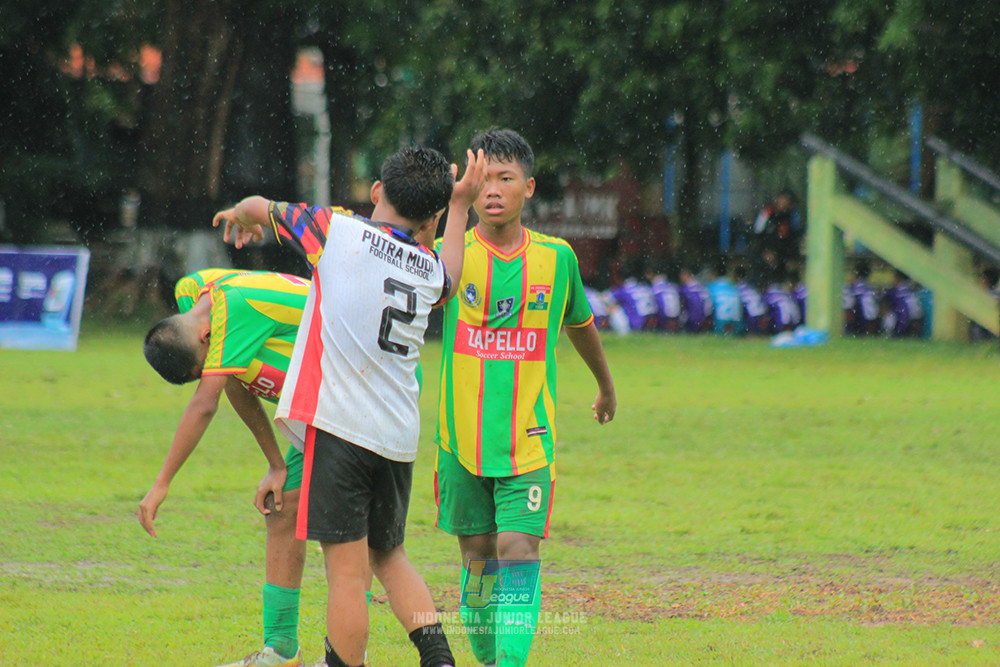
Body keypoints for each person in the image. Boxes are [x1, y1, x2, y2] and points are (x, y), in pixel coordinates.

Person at [214, 145, 486, 667]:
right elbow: (451, 274)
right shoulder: (428, 268)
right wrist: (460, 205)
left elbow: (259, 208)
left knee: (344, 571)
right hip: (398, 436)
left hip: (340, 431)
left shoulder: (334, 231)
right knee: (390, 556)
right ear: (431, 218)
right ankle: (439, 659)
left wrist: (241, 216)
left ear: (377, 191)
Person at [433, 128, 616, 667]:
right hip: (460, 439)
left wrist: (605, 385)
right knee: (478, 561)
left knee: (517, 549)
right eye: (483, 179)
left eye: (505, 178)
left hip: (528, 441)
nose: (493, 189)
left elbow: (581, 324)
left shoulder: (557, 260)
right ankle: (490, 659)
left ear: (529, 187)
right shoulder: (450, 256)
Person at [141, 268, 314, 667]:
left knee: (355, 539)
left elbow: (205, 403)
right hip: (317, 408)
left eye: (204, 371)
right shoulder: (193, 292)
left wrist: (162, 483)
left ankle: (351, 655)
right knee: (282, 509)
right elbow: (235, 377)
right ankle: (281, 652)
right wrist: (275, 464)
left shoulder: (233, 307)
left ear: (204, 337)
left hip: (355, 399)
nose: (210, 377)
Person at [751, 191, 803, 280]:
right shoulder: (767, 213)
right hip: (766, 251)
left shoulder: (792, 215)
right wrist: (765, 251)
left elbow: (794, 237)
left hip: (783, 253)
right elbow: (757, 234)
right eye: (783, 201)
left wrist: (793, 257)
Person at [881, 269, 924, 338]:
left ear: (897, 278)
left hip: (905, 314)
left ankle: (890, 334)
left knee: (890, 317)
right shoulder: (908, 289)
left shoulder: (900, 289)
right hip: (907, 315)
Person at [705, 258, 743, 335]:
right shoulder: (733, 286)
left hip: (721, 317)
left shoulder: (712, 287)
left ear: (713, 274)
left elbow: (707, 305)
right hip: (736, 318)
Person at [843, 259, 881, 336]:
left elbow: (847, 305)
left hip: (853, 320)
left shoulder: (850, 288)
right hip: (870, 322)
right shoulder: (871, 289)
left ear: (855, 274)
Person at [733, 265, 769, 335]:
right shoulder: (752, 288)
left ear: (735, 277)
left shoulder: (737, 290)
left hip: (752, 317)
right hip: (763, 315)